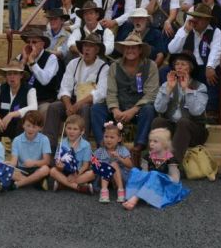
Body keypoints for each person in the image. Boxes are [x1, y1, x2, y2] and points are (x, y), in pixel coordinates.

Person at [91, 33, 158, 163]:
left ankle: (138, 148)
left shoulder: (151, 66)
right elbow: (110, 92)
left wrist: (133, 110)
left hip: (139, 109)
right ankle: (102, 146)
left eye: (134, 48)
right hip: (119, 108)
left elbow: (151, 93)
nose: (130, 50)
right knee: (96, 109)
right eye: (127, 47)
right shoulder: (114, 66)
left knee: (149, 109)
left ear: (140, 50)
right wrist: (115, 109)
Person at [43, 33, 109, 151]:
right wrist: (69, 106)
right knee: (54, 107)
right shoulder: (73, 63)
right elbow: (65, 87)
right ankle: (49, 149)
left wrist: (78, 105)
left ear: (97, 50)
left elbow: (101, 93)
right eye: (85, 46)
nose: (87, 49)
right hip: (72, 101)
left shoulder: (104, 67)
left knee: (85, 109)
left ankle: (80, 149)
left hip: (89, 103)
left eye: (91, 46)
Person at [152, 52, 209, 163]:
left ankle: (173, 163)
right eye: (177, 64)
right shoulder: (167, 84)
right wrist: (168, 90)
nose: (179, 67)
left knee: (183, 122)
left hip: (195, 132)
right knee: (158, 121)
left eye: (183, 64)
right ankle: (156, 160)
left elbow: (196, 111)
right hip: (175, 130)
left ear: (190, 68)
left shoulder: (200, 87)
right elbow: (159, 109)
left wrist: (186, 90)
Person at [167, 4, 221, 112]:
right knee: (165, 71)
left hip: (204, 67)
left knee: (214, 73)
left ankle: (210, 110)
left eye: (199, 18)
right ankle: (170, 105)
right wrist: (185, 32)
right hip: (187, 67)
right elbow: (171, 49)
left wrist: (210, 66)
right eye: (194, 17)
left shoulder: (216, 32)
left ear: (207, 20)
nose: (195, 20)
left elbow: (216, 50)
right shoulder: (185, 29)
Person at [123, 127, 188, 210]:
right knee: (135, 171)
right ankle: (139, 194)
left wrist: (159, 178)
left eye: (155, 141)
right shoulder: (148, 157)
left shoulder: (170, 158)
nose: (151, 144)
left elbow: (175, 179)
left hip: (165, 186)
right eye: (150, 141)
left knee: (154, 174)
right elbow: (144, 173)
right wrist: (150, 178)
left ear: (164, 144)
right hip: (150, 183)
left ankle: (135, 199)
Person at [0, 61, 38, 140]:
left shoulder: (30, 90)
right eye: (9, 74)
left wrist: (12, 114)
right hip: (1, 127)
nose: (12, 77)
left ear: (21, 75)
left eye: (15, 73)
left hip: (20, 129)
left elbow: (34, 107)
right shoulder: (0, 87)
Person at [20, 27, 63, 114]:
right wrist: (24, 61)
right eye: (28, 42)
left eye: (34, 42)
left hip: (44, 100)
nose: (30, 45)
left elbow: (44, 80)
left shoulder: (51, 58)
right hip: (25, 99)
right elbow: (14, 77)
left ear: (42, 44)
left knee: (44, 110)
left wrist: (32, 61)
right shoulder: (22, 56)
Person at [50, 114, 95, 194]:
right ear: (65, 129)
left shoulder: (86, 145)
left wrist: (75, 175)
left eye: (75, 129)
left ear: (82, 131)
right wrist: (59, 166)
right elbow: (57, 164)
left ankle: (63, 184)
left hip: (79, 172)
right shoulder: (61, 143)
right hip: (65, 172)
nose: (71, 131)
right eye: (69, 128)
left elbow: (85, 165)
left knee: (92, 174)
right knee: (53, 171)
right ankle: (79, 187)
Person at [8, 110, 52, 189]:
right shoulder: (16, 140)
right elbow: (14, 162)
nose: (30, 129)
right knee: (7, 169)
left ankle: (18, 184)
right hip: (21, 170)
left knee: (45, 169)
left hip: (37, 169)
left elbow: (47, 161)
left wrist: (33, 163)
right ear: (23, 125)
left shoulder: (44, 139)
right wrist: (8, 164)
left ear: (40, 128)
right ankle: (34, 183)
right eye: (28, 125)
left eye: (34, 127)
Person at [93, 122, 133, 203]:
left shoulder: (122, 149)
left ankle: (121, 191)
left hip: (121, 177)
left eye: (112, 137)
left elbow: (130, 165)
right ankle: (104, 191)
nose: (108, 140)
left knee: (114, 164)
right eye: (106, 137)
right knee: (105, 166)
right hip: (104, 179)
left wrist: (119, 157)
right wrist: (97, 164)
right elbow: (93, 164)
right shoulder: (100, 151)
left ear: (119, 139)